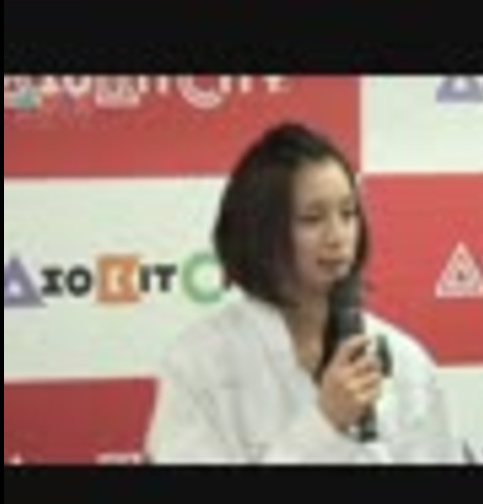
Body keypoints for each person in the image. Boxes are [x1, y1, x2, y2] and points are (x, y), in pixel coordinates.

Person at [145, 121, 463, 464]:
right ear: (261, 230)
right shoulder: (198, 363)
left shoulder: (405, 359)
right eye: (312, 219)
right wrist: (324, 425)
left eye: (348, 213)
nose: (338, 236)